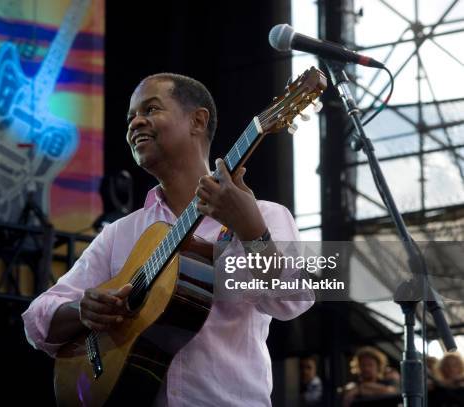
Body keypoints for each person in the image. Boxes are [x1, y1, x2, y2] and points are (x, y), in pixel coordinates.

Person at [22, 73, 313, 406]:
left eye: (151, 109)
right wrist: (81, 310)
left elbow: (295, 299)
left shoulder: (266, 216)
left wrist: (250, 231)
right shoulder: (121, 233)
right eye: (131, 117)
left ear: (197, 121)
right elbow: (37, 319)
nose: (136, 123)